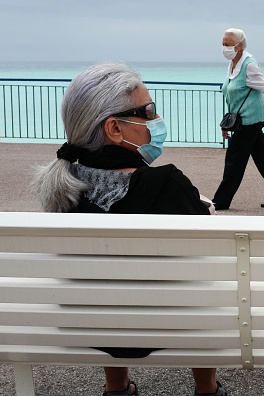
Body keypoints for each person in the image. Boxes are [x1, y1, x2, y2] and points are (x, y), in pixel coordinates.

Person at [30, 62, 225, 396]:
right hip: (170, 323)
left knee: (104, 281)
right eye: (148, 112)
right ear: (114, 129)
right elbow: (206, 256)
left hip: (93, 326)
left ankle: (116, 386)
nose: (155, 120)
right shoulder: (168, 185)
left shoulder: (63, 190)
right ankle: (206, 388)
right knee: (201, 286)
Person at [212, 28, 264, 210]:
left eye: (228, 44)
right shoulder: (233, 64)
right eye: (223, 44)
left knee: (234, 160)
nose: (224, 48)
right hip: (242, 120)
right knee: (263, 159)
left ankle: (221, 201)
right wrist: (226, 123)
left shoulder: (249, 65)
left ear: (239, 45)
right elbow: (232, 95)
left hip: (252, 120)